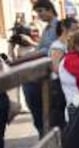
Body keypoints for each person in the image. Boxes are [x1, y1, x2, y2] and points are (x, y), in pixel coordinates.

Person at [21, 0, 59, 137]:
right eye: (37, 12)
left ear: (49, 10)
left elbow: (46, 50)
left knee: (45, 112)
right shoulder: (47, 28)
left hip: (52, 74)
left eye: (41, 11)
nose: (39, 15)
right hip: (45, 73)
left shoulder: (57, 26)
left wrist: (24, 58)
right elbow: (40, 49)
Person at [49, 17, 79, 129]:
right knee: (60, 118)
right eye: (73, 29)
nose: (76, 32)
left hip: (65, 84)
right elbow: (56, 68)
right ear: (64, 28)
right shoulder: (58, 46)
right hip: (58, 86)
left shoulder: (68, 45)